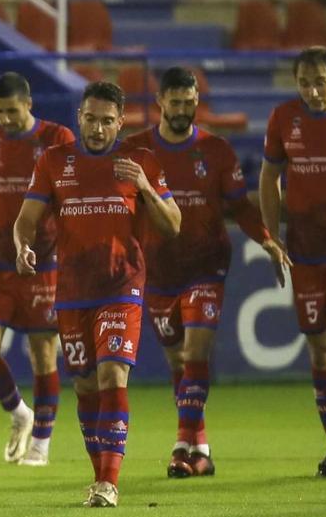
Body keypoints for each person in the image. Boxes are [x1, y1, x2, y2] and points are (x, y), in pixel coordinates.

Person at [14, 81, 181, 507]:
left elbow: (172, 224)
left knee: (112, 375)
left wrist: (144, 186)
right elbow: (26, 218)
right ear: (79, 117)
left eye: (108, 121)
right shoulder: (54, 162)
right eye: (91, 118)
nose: (99, 128)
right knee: (86, 386)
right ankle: (99, 477)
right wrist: (22, 245)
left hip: (121, 287)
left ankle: (110, 481)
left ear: (120, 122)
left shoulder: (140, 161)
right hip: (72, 291)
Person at [124, 67, 289, 479]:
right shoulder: (136, 151)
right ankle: (201, 449)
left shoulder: (217, 151)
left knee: (196, 353)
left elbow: (240, 207)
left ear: (198, 100)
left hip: (207, 265)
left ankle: (182, 444)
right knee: (177, 360)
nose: (182, 110)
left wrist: (266, 238)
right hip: (158, 270)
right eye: (175, 102)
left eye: (189, 101)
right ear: (160, 102)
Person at [0, 72, 75, 466]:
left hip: (44, 263)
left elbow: (73, 196)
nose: (5, 118)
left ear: (29, 104)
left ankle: (41, 442)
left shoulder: (57, 139)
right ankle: (19, 413)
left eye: (12, 110)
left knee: (43, 354)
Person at [259, 47, 326, 478]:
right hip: (304, 250)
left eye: (319, 81)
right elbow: (269, 177)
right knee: (320, 352)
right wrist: (270, 236)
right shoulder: (285, 119)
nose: (312, 90)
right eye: (304, 83)